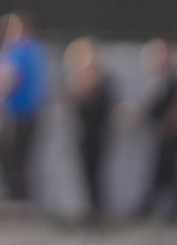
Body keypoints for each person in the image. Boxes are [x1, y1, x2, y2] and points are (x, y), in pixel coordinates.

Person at [0, 12, 48, 206]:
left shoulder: (20, 49)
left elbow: (8, 79)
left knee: (14, 157)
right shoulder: (35, 48)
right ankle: (19, 198)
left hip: (20, 114)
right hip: (27, 113)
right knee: (16, 156)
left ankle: (17, 199)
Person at [137, 38, 177, 219]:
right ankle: (158, 208)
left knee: (171, 172)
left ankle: (170, 210)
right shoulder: (162, 79)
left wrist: (169, 124)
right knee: (164, 173)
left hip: (173, 132)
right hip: (165, 132)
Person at [62, 36, 114, 220]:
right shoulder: (80, 82)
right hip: (84, 135)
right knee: (87, 175)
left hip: (98, 135)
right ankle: (93, 210)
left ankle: (98, 211)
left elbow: (104, 109)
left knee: (96, 174)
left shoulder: (103, 80)